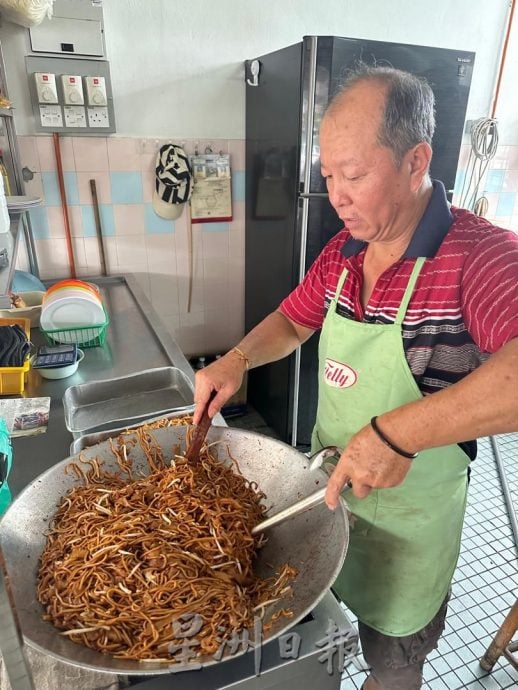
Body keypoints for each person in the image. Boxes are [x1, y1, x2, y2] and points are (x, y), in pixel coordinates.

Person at [193, 65, 518, 690]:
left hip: (410, 530)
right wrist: (236, 360)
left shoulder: (478, 256)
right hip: (329, 504)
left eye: (355, 175)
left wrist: (397, 435)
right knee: (324, 644)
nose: (337, 195)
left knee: (392, 667)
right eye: (328, 177)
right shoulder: (344, 253)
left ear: (415, 159)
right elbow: (292, 321)